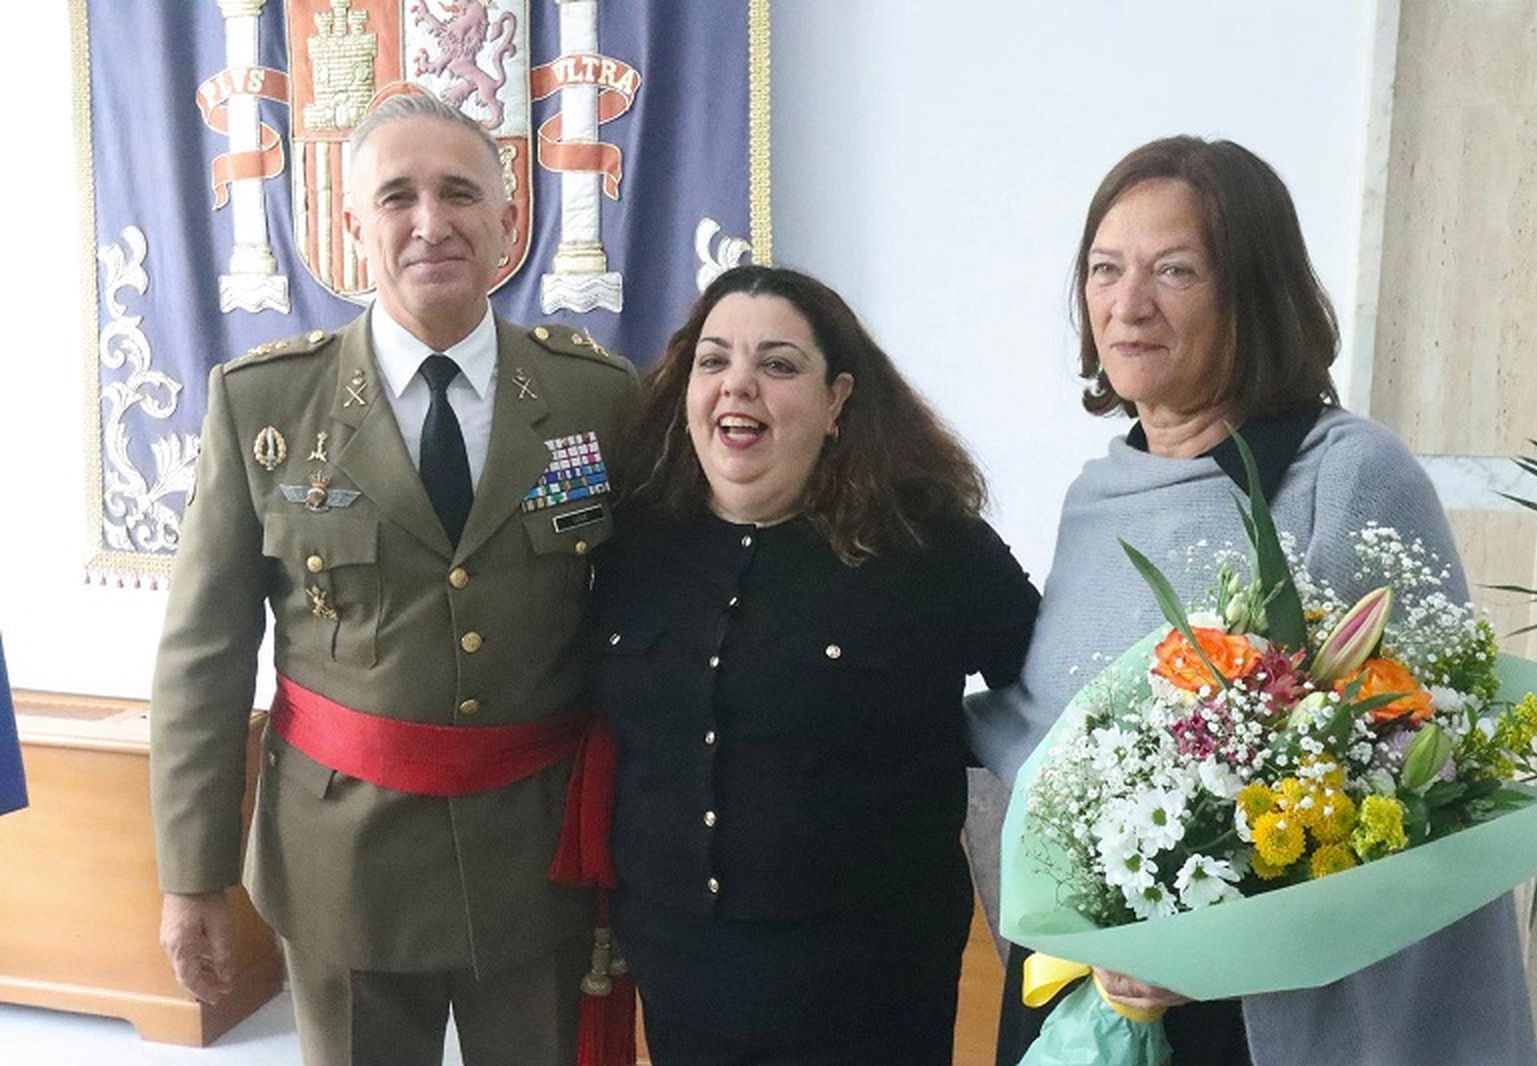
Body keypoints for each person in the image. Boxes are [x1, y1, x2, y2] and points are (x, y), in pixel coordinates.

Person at [967, 136, 1537, 1066]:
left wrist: (1210, 941)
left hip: (1265, 1023)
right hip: (1090, 1009)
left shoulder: (1343, 475)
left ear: (1253, 293)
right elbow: (1055, 732)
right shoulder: (1096, 497)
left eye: (1174, 271)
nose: (1128, 303)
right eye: (1105, 271)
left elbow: (1431, 772)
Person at [149, 92, 637, 1066]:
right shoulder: (266, 404)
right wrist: (192, 875)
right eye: (398, 196)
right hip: (343, 867)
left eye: (461, 192)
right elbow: (205, 655)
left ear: (510, 218)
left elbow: (648, 621)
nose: (431, 222)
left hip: (537, 861)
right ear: (350, 225)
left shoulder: (600, 397)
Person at [588, 265, 1040, 1064]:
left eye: (778, 364)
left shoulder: (930, 546)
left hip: (871, 985)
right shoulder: (633, 545)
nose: (739, 386)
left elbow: (1045, 689)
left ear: (837, 402)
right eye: (714, 361)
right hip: (681, 974)